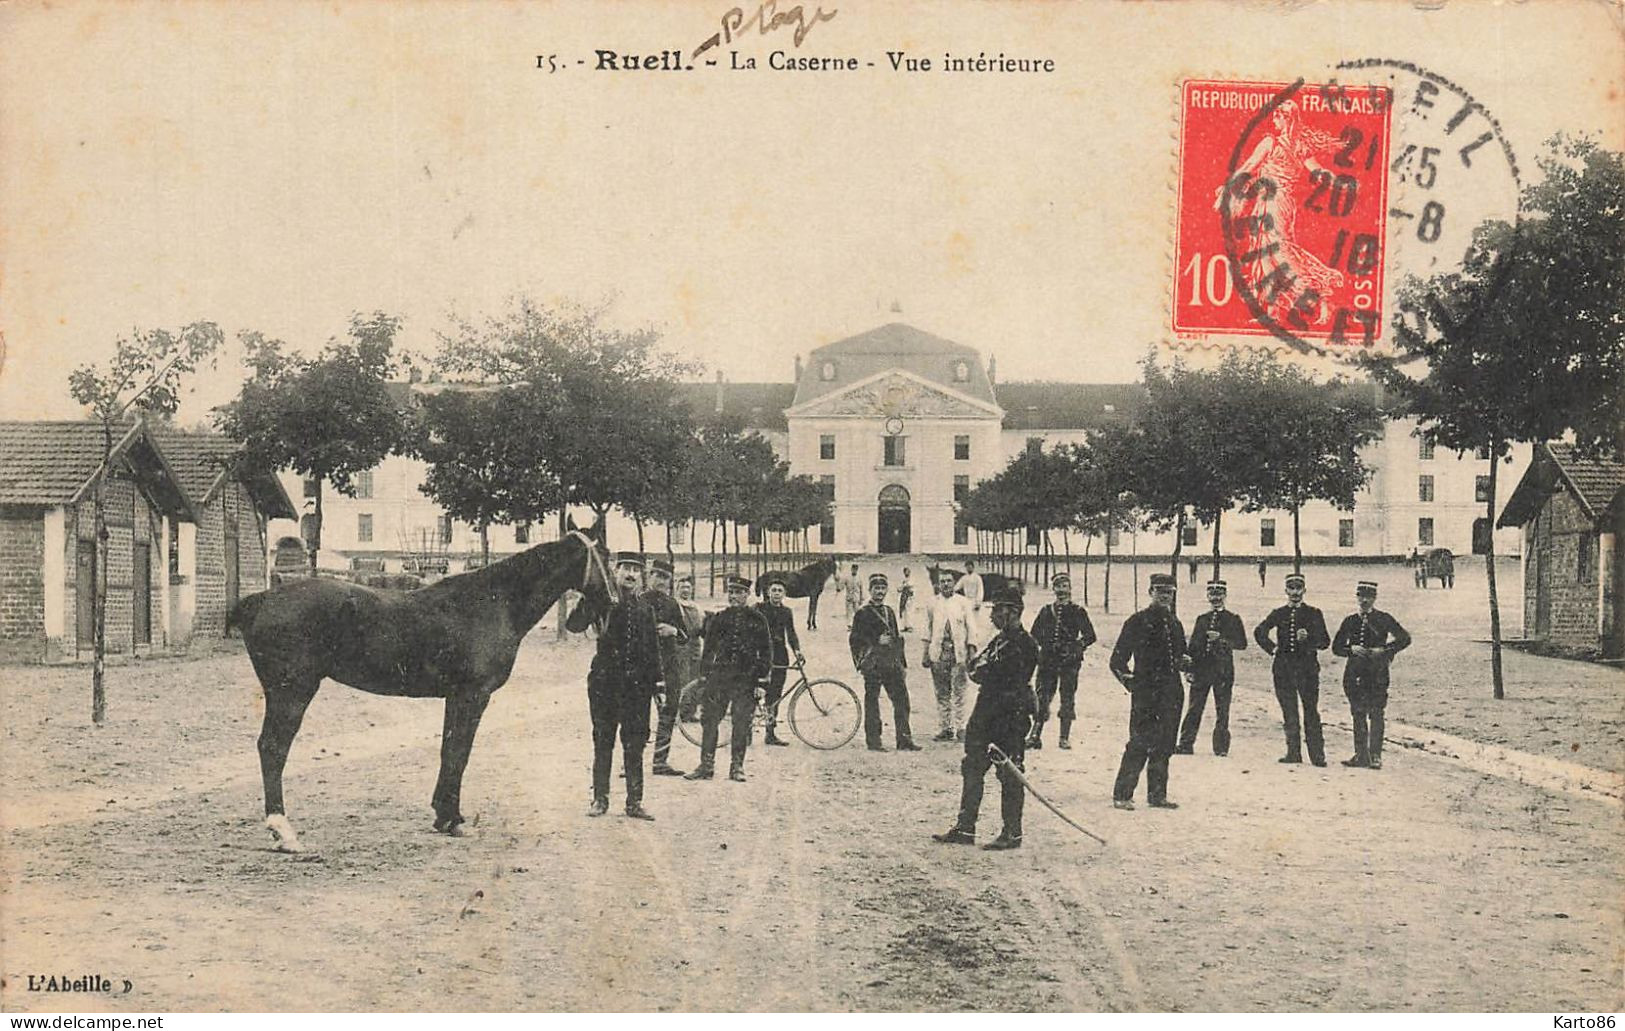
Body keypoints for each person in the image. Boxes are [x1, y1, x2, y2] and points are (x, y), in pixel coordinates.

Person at [932, 587, 1039, 851]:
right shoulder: (999, 640)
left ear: (1012, 612)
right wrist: (981, 669)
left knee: (1009, 773)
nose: (991, 616)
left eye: (997, 610)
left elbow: (992, 673)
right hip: (985, 713)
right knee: (972, 768)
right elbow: (976, 668)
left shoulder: (1025, 644)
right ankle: (965, 828)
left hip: (1009, 717)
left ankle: (1012, 833)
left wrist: (982, 670)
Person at [588, 552, 665, 820]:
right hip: (605, 685)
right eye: (625, 569)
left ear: (642, 576)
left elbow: (653, 648)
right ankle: (600, 799)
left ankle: (634, 802)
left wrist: (659, 683)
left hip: (637, 689)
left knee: (635, 744)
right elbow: (574, 625)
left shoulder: (646, 608)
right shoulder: (602, 602)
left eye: (636, 570)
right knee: (603, 740)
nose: (631, 574)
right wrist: (589, 600)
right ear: (615, 571)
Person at [1108, 572, 1188, 810]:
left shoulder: (1175, 623)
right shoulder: (1136, 621)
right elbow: (1117, 660)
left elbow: (1181, 656)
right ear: (1150, 592)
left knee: (1165, 743)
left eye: (1169, 593)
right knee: (1140, 741)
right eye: (1160, 591)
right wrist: (1131, 682)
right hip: (1146, 691)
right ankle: (1122, 794)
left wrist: (1187, 664)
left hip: (1172, 691)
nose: (1165, 596)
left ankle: (1157, 795)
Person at [686, 573, 771, 783]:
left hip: (746, 680)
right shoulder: (719, 618)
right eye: (731, 592)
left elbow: (766, 652)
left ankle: (737, 767)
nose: (734, 596)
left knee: (741, 722)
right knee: (710, 720)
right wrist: (704, 676)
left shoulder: (757, 619)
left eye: (739, 592)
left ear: (747, 594)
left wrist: (761, 682)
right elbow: (709, 650)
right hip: (719, 679)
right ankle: (706, 766)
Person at [1253, 572, 1332, 766]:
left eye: (1298, 588)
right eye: (1291, 588)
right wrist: (1273, 649)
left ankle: (1317, 755)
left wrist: (1310, 638)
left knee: (1311, 711)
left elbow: (1324, 642)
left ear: (1304, 590)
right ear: (1285, 590)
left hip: (1307, 670)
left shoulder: (1314, 613)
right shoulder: (1278, 613)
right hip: (1283, 669)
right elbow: (1259, 631)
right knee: (1289, 712)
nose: (1295, 592)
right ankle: (1293, 753)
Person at [1332, 581, 1412, 769]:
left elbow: (1404, 639)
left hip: (1377, 673)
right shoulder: (1349, 621)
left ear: (1375, 598)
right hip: (1354, 674)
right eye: (1361, 596)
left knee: (1376, 713)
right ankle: (1361, 755)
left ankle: (1375, 756)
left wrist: (1384, 650)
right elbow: (1336, 647)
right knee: (1358, 713)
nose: (1365, 600)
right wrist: (1351, 649)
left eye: (1369, 596)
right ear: (1357, 597)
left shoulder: (1384, 619)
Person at [1176, 580, 1248, 757]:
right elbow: (1193, 646)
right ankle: (1186, 744)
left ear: (1225, 596)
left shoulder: (1233, 619)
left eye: (1219, 594)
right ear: (1208, 596)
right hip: (1201, 670)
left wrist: (1221, 640)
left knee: (1222, 710)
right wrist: (1189, 669)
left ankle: (1221, 747)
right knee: (1194, 708)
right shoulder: (1202, 619)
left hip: (1223, 671)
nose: (1216, 598)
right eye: (1212, 595)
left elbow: (1241, 644)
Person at [849, 571, 919, 752]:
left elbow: (896, 638)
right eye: (876, 588)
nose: (879, 591)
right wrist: (873, 643)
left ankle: (904, 740)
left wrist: (902, 663)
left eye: (882, 588)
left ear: (887, 590)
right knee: (872, 703)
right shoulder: (862, 613)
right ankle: (874, 741)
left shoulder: (889, 612)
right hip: (873, 664)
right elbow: (855, 640)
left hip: (891, 663)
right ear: (870, 590)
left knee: (902, 700)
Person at [1027, 572, 1097, 750]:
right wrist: (1045, 646)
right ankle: (1035, 734)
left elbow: (1090, 636)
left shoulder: (1078, 611)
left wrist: (1076, 647)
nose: (1062, 590)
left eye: (1065, 586)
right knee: (1042, 696)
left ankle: (1064, 738)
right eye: (1058, 587)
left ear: (1070, 589)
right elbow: (1034, 635)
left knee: (1067, 697)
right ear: (1054, 589)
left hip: (1069, 661)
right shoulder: (1045, 611)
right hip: (1048, 660)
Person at [644, 558, 692, 777]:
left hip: (669, 666)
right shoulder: (638, 600)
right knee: (637, 714)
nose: (661, 581)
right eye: (657, 575)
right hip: (643, 665)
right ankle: (630, 761)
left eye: (665, 578)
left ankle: (660, 761)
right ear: (649, 576)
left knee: (670, 710)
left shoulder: (673, 604)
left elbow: (684, 636)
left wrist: (673, 631)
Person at [921, 569, 975, 741]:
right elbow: (927, 629)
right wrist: (926, 653)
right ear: (938, 584)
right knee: (942, 691)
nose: (946, 584)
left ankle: (961, 728)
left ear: (954, 583)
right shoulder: (932, 603)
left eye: (949, 581)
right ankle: (946, 728)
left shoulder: (963, 603)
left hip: (958, 652)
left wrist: (971, 652)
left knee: (959, 691)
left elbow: (972, 629)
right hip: (939, 652)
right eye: (942, 581)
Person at [754, 572, 804, 747]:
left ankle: (770, 733)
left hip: (780, 656)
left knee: (775, 695)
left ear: (784, 594)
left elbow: (791, 634)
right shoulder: (759, 609)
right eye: (773, 590)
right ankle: (745, 732)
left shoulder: (786, 612)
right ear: (768, 592)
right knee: (754, 692)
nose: (776, 593)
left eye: (780, 591)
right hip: (761, 655)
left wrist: (797, 651)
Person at [674, 574, 707, 722]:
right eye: (682, 588)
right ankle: (679, 712)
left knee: (696, 677)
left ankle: (690, 712)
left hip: (695, 645)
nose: (685, 590)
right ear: (677, 589)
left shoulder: (697, 607)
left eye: (688, 587)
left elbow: (703, 625)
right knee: (682, 678)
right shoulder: (675, 605)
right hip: (680, 645)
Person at [843, 562, 864, 629]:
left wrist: (861, 598)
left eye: (855, 569)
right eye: (853, 569)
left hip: (856, 598)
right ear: (851, 569)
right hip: (849, 597)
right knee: (849, 612)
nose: (854, 571)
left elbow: (861, 589)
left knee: (857, 612)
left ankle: (857, 624)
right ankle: (849, 625)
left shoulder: (859, 578)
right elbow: (842, 585)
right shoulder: (847, 578)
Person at [898, 566, 916, 631]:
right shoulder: (903, 580)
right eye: (905, 572)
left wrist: (905, 586)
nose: (906, 573)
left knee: (909, 611)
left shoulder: (911, 579)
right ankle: (904, 626)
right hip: (904, 597)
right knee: (903, 611)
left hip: (910, 597)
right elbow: (899, 588)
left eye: (908, 572)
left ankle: (910, 626)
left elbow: (910, 586)